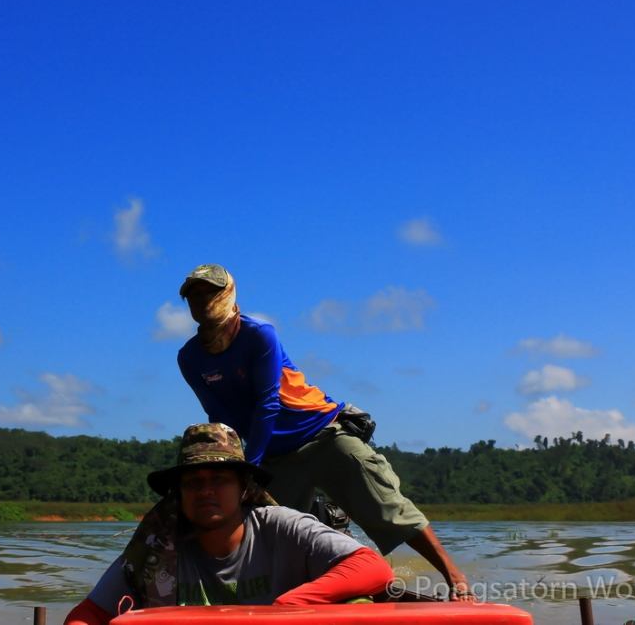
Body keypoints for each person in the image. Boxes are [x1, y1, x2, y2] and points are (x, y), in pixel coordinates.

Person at [176, 264, 473, 601]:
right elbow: (219, 420)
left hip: (322, 434)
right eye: (194, 295)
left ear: (227, 294)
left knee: (388, 508)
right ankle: (306, 578)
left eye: (209, 293)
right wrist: (232, 469)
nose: (201, 301)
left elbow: (268, 403)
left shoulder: (258, 335)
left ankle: (454, 577)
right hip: (274, 456)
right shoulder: (190, 358)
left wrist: (252, 470)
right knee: (264, 536)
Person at [64, 423, 394, 624]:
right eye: (193, 482)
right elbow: (89, 613)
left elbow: (373, 568)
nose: (206, 491)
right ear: (179, 493)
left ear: (244, 488)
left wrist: (293, 603)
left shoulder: (281, 528)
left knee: (356, 604)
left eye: (220, 479)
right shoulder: (155, 551)